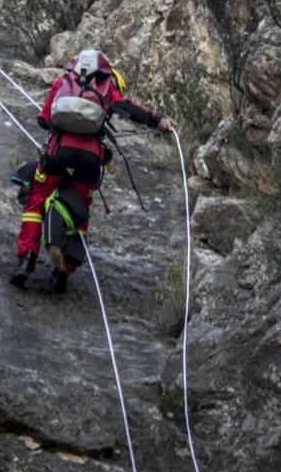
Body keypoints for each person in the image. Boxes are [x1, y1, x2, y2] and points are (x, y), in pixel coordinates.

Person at [10, 49, 175, 291]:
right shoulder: (108, 86)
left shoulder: (63, 82)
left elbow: (44, 120)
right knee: (79, 209)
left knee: (36, 200)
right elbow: (127, 107)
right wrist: (156, 120)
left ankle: (26, 261)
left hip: (59, 150)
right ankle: (63, 272)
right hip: (90, 156)